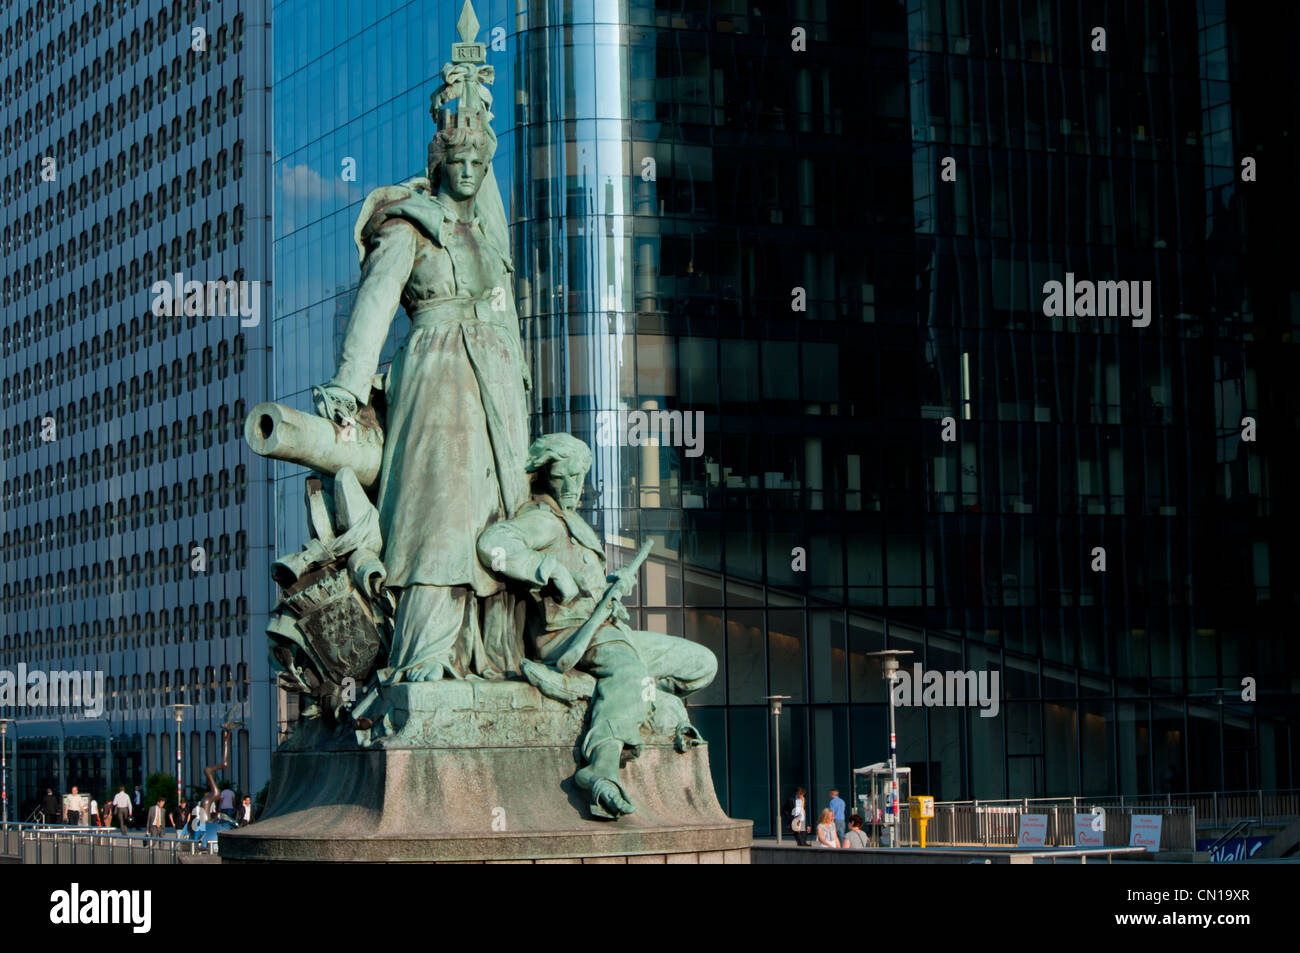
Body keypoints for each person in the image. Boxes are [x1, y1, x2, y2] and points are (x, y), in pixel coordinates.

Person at [311, 78, 531, 686]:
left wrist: (520, 375)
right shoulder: (408, 226)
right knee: (438, 513)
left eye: (477, 162)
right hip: (437, 377)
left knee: (494, 516)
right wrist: (349, 386)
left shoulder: (488, 239)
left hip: (497, 385)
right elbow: (375, 307)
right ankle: (424, 652)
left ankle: (492, 655)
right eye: (456, 161)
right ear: (438, 166)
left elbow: (504, 308)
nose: (466, 171)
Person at [477, 434, 717, 819]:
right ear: (544, 476)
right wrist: (550, 569)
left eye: (580, 477)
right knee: (628, 670)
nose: (574, 487)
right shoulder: (542, 519)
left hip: (608, 629)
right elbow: (494, 543)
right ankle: (602, 767)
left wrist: (613, 585)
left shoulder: (574, 523)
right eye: (564, 477)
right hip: (569, 635)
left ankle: (635, 695)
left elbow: (587, 584)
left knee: (701, 663)